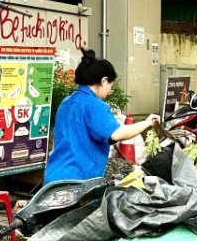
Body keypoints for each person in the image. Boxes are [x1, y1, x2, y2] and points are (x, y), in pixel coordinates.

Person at [45, 50, 157, 185]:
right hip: (78, 182)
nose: (109, 91)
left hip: (53, 178)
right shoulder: (95, 106)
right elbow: (117, 134)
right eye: (110, 86)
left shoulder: (66, 102)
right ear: (104, 81)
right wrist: (148, 122)